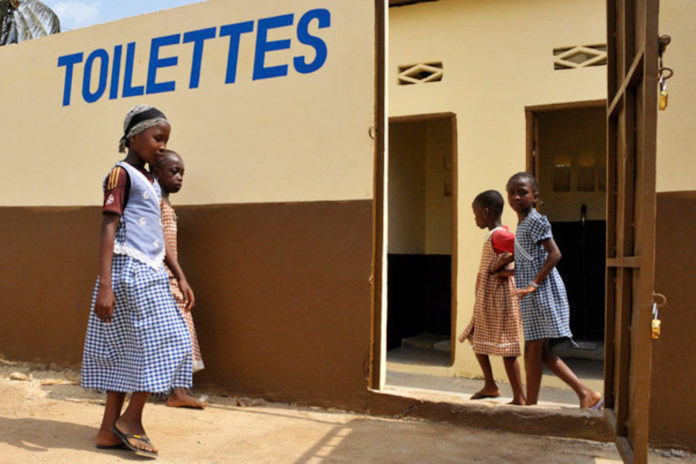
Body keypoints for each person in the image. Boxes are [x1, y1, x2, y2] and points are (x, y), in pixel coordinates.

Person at [81, 105, 194, 458]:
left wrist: (179, 274)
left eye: (167, 140)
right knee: (172, 339)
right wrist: (105, 284)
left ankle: (107, 430)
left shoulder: (149, 180)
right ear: (134, 137)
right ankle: (131, 420)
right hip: (130, 272)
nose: (162, 146)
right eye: (157, 138)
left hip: (151, 270)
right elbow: (108, 227)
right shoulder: (121, 174)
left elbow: (157, 233)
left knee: (128, 351)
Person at [506, 172, 603, 409]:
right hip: (530, 292)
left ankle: (535, 404)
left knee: (534, 349)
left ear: (535, 196)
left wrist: (534, 283)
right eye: (512, 192)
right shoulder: (523, 223)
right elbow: (531, 260)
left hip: (539, 292)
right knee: (539, 351)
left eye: (523, 192)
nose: (517, 197)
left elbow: (555, 254)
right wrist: (511, 273)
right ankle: (585, 394)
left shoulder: (536, 220)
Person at [458, 190, 526, 405]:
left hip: (501, 298)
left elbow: (529, 251)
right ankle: (490, 385)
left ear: (486, 213)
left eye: (476, 214)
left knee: (508, 347)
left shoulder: (499, 235)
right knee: (475, 335)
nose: (475, 218)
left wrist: (508, 271)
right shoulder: (493, 235)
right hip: (487, 297)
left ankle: (519, 397)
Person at [153, 150, 207, 409]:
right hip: (163, 277)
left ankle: (176, 389)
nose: (179, 178)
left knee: (176, 330)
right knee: (179, 328)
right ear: (156, 173)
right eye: (173, 171)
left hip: (170, 276)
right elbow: (161, 245)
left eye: (182, 173)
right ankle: (178, 391)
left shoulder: (165, 202)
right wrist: (180, 277)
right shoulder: (155, 202)